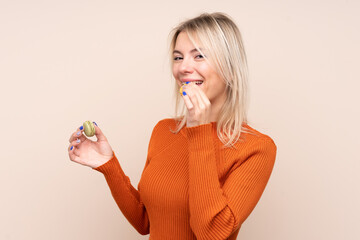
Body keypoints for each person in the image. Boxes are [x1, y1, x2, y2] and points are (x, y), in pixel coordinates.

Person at [68, 12, 277, 240]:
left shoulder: (257, 148)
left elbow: (212, 233)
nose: (183, 68)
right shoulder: (163, 130)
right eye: (178, 58)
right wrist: (108, 165)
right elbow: (145, 221)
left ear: (230, 68)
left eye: (199, 56)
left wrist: (199, 130)